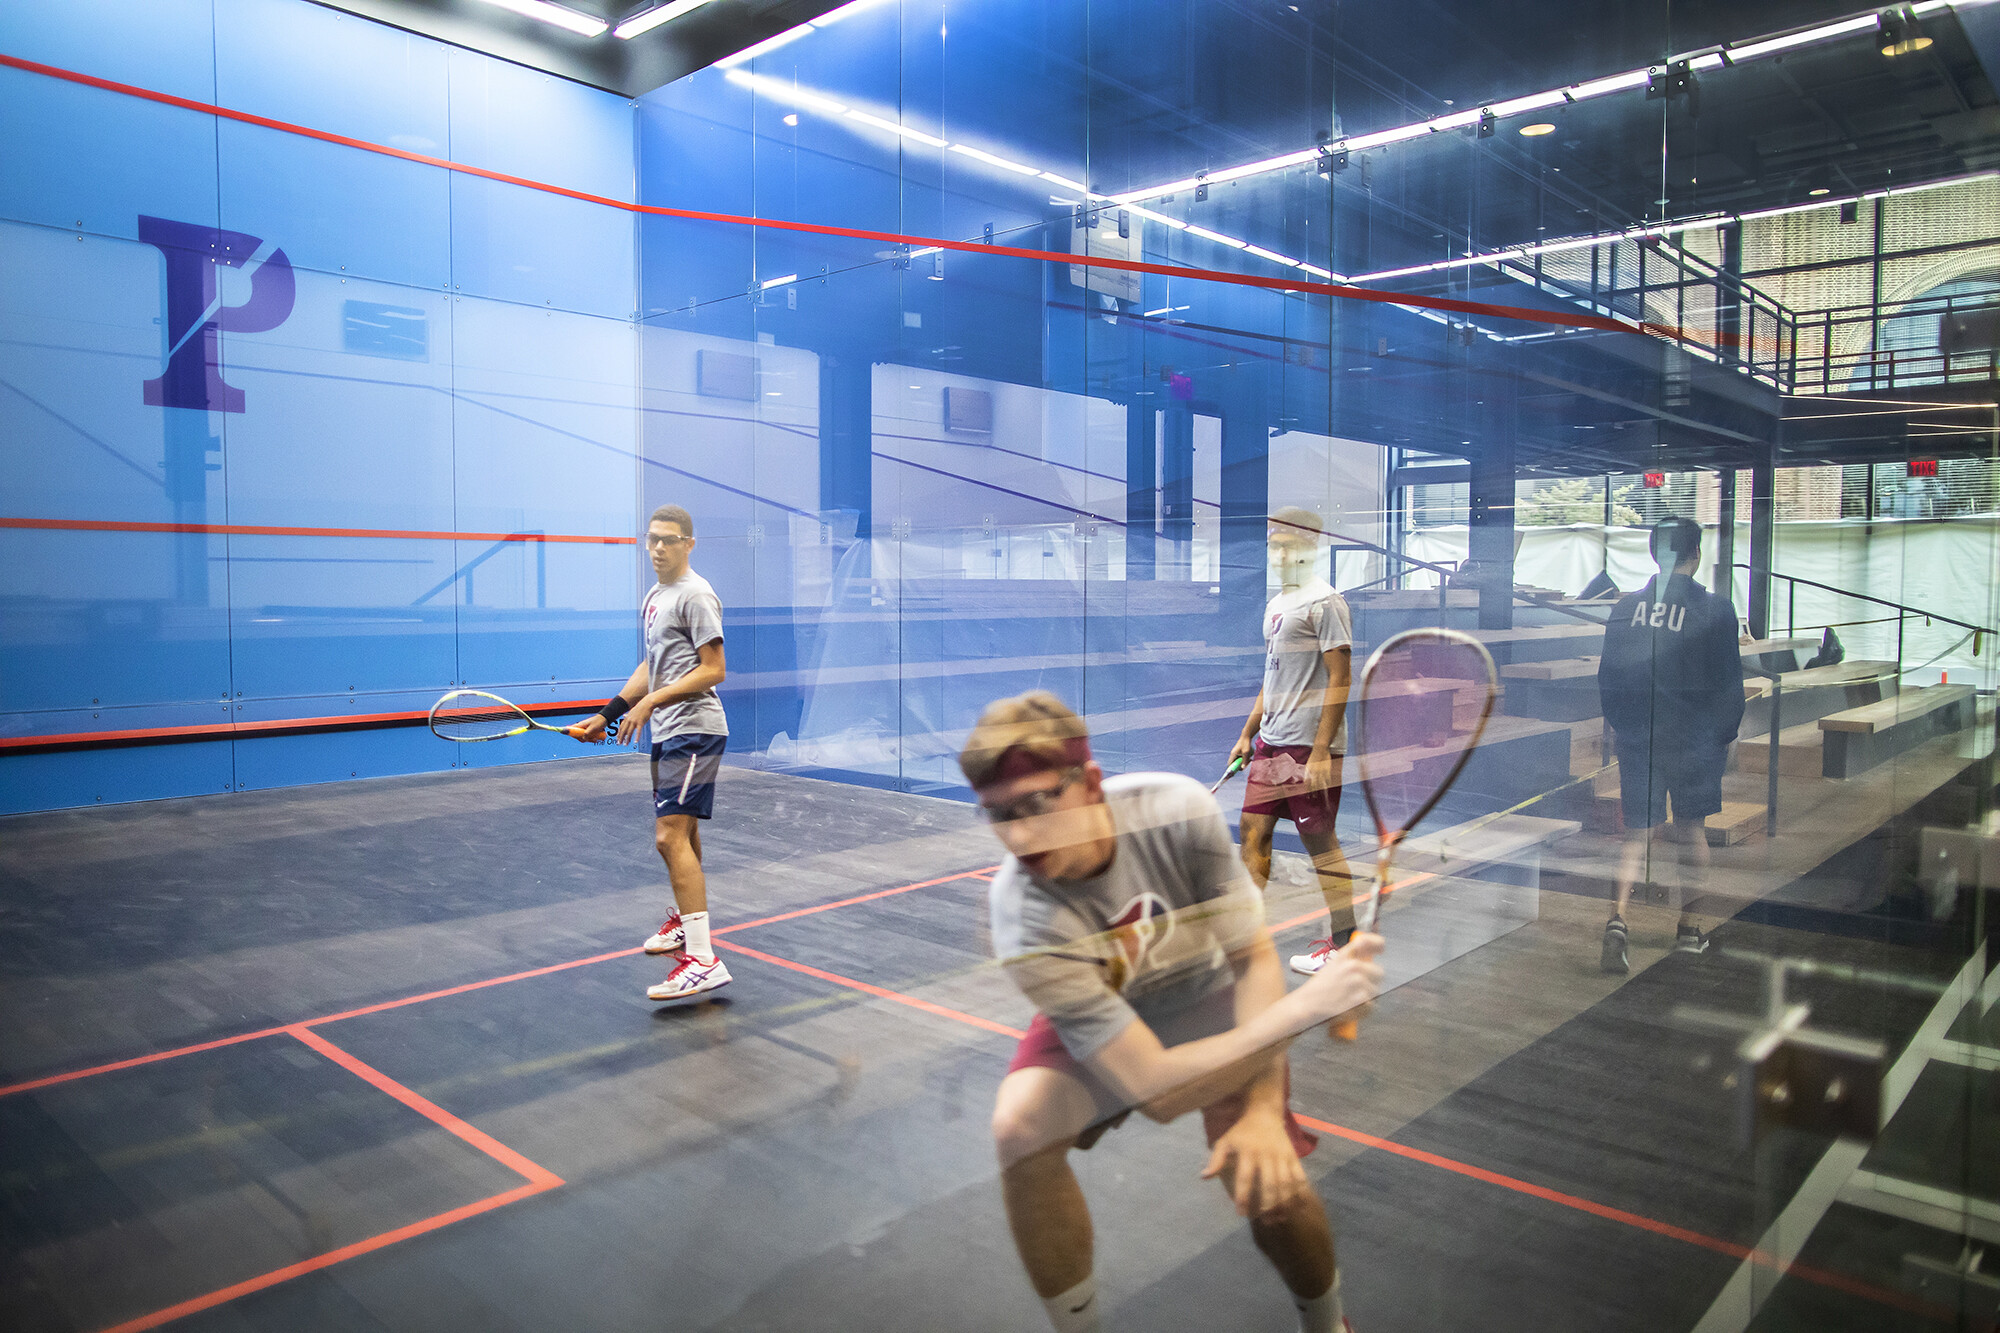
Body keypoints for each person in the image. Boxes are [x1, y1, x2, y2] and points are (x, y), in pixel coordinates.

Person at [965, 692, 1382, 1333]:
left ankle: (1329, 1328)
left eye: (1040, 803)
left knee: (1272, 1180)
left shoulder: (1175, 808)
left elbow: (1252, 962)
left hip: (1209, 993)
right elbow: (1156, 1091)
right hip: (1112, 1009)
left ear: (1092, 784)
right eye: (1000, 815)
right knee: (1021, 1130)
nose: (1021, 835)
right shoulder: (1020, 917)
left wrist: (1265, 1111)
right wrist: (1308, 1010)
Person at [573, 504, 733, 1000]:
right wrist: (609, 712)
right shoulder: (655, 596)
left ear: (689, 543)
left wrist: (650, 703)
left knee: (668, 838)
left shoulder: (696, 595)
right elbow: (653, 664)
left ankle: (704, 962)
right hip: (668, 731)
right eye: (652, 539)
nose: (658, 548)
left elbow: (714, 669)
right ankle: (689, 925)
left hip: (696, 730)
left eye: (669, 539)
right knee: (683, 833)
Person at [1597, 515, 1745, 974]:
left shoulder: (1625, 609)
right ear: (1696, 556)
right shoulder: (1717, 610)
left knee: (1635, 836)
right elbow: (1729, 684)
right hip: (1694, 740)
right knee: (1691, 831)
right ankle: (1689, 930)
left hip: (1640, 736)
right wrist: (1723, 734)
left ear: (1653, 553)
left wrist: (1624, 727)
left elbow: (1608, 678)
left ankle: (1618, 922)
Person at [1228, 507, 1358, 976]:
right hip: (1270, 743)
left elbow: (1340, 676)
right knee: (1252, 833)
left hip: (1308, 746)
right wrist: (1247, 733)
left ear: (1309, 547)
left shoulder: (1326, 602)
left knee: (1319, 844)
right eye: (1273, 543)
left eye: (1288, 543)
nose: (1278, 552)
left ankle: (1345, 944)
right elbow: (1272, 676)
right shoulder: (1277, 603)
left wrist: (1323, 750)